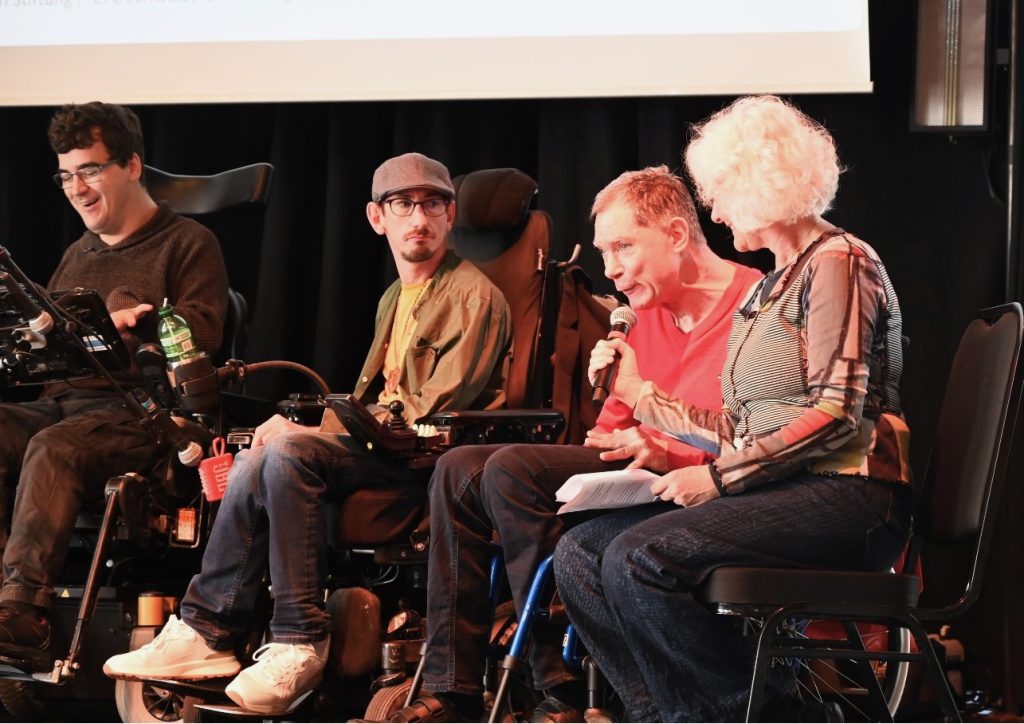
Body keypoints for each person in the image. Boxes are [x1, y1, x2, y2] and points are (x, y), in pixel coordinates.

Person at [104, 152, 512, 716]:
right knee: (256, 454)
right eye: (403, 205)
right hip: (380, 448)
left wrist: (307, 425)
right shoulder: (396, 296)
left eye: (432, 204)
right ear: (378, 218)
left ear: (450, 215)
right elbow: (374, 401)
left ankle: (300, 639)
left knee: (288, 447)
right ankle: (208, 633)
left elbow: (425, 409)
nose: (418, 217)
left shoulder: (473, 296)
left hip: (425, 460)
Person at [553, 95, 913, 722]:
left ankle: (770, 714)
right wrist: (640, 395)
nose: (713, 211)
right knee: (581, 556)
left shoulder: (839, 264)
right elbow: (747, 428)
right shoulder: (776, 281)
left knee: (641, 558)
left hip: (850, 497)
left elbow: (834, 417)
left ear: (758, 187)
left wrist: (718, 477)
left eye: (719, 193)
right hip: (788, 488)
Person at [389, 166, 762, 723]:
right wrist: (616, 424)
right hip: (633, 470)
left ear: (678, 236)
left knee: (512, 469)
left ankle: (554, 676)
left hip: (707, 482)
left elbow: (761, 437)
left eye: (623, 248)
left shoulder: (758, 307)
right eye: (606, 250)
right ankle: (453, 684)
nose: (609, 269)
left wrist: (665, 446)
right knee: (458, 467)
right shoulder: (641, 314)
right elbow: (610, 428)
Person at [0, 102, 228, 664]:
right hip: (65, 405)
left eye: (90, 170)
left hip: (143, 415)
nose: (76, 187)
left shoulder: (188, 243)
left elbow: (201, 333)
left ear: (131, 165)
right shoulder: (75, 256)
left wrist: (140, 326)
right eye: (66, 174)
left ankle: (23, 615)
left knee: (55, 448)